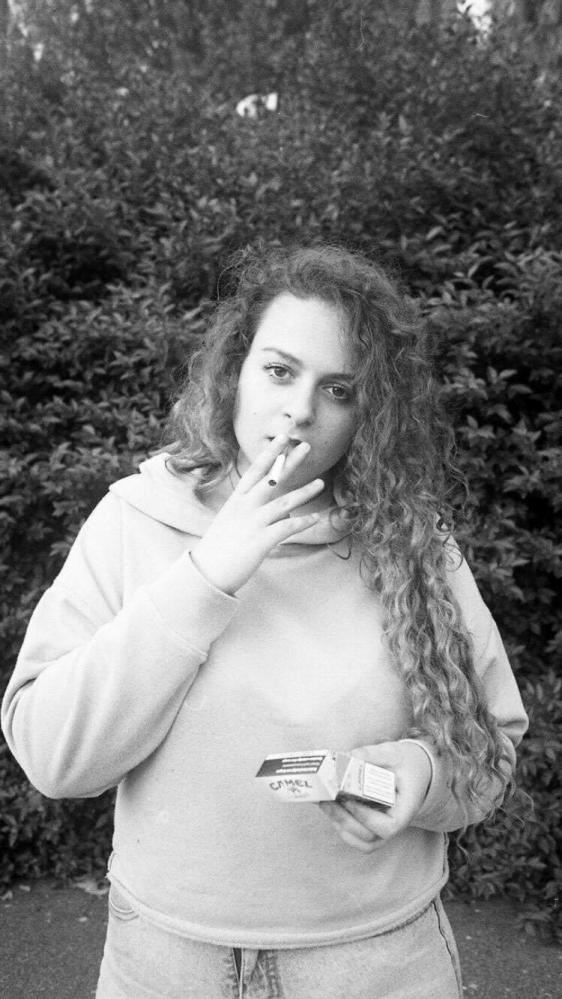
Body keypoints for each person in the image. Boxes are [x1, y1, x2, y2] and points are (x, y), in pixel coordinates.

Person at [1, 244, 528, 999]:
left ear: (369, 414)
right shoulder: (134, 519)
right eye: (280, 370)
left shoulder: (413, 544)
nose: (300, 410)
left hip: (374, 963)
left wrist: (421, 774)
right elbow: (52, 757)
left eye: (339, 389)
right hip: (165, 961)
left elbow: (491, 748)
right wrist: (205, 578)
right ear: (235, 370)